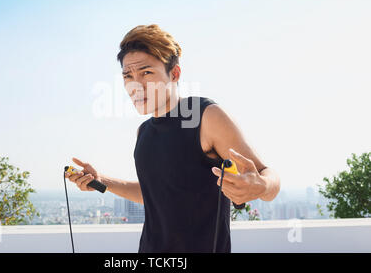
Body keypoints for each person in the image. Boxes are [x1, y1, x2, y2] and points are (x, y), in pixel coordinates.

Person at [66, 24, 280, 253]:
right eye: (128, 76)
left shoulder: (205, 116)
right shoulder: (144, 132)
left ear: (174, 74)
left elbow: (268, 179)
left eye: (146, 73)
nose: (135, 85)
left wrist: (261, 185)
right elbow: (156, 195)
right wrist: (102, 180)